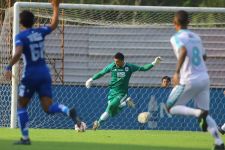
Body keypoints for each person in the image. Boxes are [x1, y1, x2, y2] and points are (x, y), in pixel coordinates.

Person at [4, 0, 81, 145]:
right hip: (44, 73)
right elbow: (53, 25)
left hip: (31, 74)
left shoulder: (20, 37)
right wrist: (56, 7)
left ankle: (25, 138)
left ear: (21, 23)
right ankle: (67, 110)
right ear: (33, 21)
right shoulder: (39, 32)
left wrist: (8, 67)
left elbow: (18, 53)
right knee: (48, 107)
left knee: (21, 105)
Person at [165, 10, 224, 150]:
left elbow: (183, 51)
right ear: (188, 22)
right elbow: (204, 57)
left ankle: (197, 113)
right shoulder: (196, 37)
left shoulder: (176, 37)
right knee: (205, 113)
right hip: (204, 78)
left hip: (189, 79)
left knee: (170, 108)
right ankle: (219, 143)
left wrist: (176, 72)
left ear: (175, 23)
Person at [85, 52, 161, 130]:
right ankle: (125, 103)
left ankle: (98, 123)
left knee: (111, 106)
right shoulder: (112, 66)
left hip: (122, 93)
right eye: (115, 61)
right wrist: (91, 79)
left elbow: (143, 68)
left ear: (122, 61)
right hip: (112, 92)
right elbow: (102, 72)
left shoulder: (129, 67)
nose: (115, 63)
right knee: (112, 113)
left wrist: (154, 63)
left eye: (117, 61)